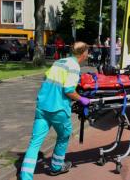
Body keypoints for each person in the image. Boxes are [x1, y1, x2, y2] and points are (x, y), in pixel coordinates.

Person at [20, 42, 91, 179]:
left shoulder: (59, 62)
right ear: (83, 54)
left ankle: (25, 176)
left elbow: (47, 78)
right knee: (64, 136)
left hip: (42, 106)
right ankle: (56, 166)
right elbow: (69, 90)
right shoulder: (74, 66)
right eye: (87, 52)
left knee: (34, 143)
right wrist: (82, 99)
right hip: (58, 108)